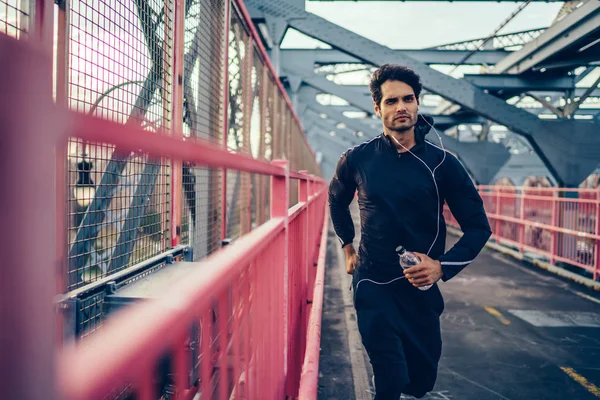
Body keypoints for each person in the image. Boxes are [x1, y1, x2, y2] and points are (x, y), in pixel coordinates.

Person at [328, 64, 492, 399]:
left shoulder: (444, 164)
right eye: (391, 101)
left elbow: (478, 227)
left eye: (408, 99)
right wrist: (347, 246)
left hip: (420, 289)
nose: (401, 106)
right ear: (378, 108)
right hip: (373, 283)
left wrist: (441, 266)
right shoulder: (358, 159)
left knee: (419, 382)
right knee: (390, 377)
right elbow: (335, 199)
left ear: (418, 104)